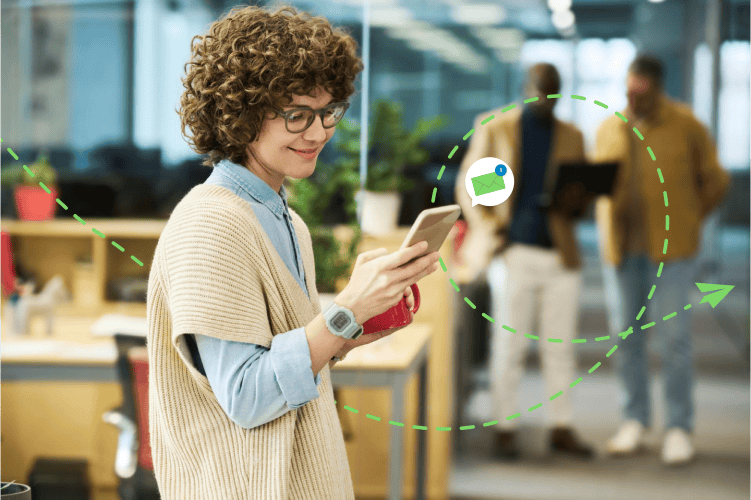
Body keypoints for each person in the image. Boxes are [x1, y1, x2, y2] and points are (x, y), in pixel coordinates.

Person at [146, 5, 441, 499]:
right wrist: (345, 312)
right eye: (297, 115)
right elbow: (247, 396)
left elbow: (293, 358)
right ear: (239, 113)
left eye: (328, 112)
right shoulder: (212, 224)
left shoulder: (285, 217)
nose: (318, 132)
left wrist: (363, 313)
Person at [593, 54, 729, 465]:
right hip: (621, 249)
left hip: (671, 250)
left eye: (640, 92)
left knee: (675, 340)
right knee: (626, 337)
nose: (632, 99)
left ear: (656, 87)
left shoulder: (687, 124)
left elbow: (716, 182)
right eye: (628, 90)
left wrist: (689, 218)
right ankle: (634, 419)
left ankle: (679, 428)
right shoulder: (609, 126)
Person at [455, 63, 594, 460]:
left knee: (560, 346)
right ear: (525, 89)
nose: (544, 100)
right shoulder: (497, 127)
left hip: (560, 254)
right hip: (512, 251)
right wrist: (489, 229)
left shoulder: (572, 136)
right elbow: (470, 187)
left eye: (552, 94)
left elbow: (580, 195)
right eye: (538, 91)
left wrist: (581, 197)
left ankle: (561, 426)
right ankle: (505, 427)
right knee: (509, 344)